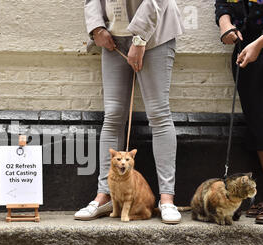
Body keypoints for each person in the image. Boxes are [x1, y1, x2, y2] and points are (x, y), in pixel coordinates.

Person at [76, 0, 185, 224]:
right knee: (113, 115)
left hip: (154, 36)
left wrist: (139, 38)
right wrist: (97, 29)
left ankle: (166, 199)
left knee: (158, 114)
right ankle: (104, 195)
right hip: (113, 38)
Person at [215, 0, 263, 224]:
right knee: (259, 127)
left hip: (260, 47)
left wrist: (261, 42)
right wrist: (225, 25)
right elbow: (222, 5)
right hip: (248, 54)